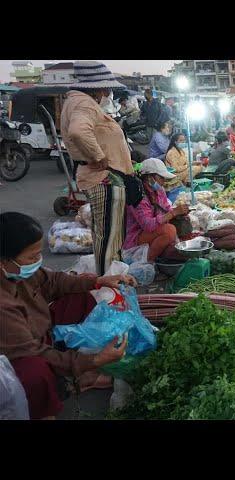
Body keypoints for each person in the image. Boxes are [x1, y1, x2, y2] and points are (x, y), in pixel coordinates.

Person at [0, 212, 137, 419]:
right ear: (4, 260)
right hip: (17, 356)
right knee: (35, 371)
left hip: (37, 332)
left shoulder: (17, 272)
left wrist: (99, 281)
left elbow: (54, 281)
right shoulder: (3, 306)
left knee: (82, 298)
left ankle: (74, 373)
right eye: (32, 256)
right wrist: (95, 360)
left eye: (39, 253)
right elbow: (35, 352)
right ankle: (49, 405)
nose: (38, 260)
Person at [61, 61, 134, 276]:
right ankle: (109, 290)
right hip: (103, 178)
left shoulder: (76, 102)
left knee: (106, 237)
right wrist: (99, 157)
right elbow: (78, 131)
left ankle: (112, 284)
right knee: (109, 238)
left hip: (100, 177)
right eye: (108, 89)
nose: (108, 94)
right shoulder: (84, 104)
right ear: (99, 88)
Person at [123, 159, 190, 263]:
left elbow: (166, 208)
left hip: (153, 233)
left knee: (177, 243)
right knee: (169, 230)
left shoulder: (159, 190)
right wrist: (173, 213)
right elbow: (147, 225)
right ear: (150, 177)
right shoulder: (138, 195)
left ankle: (159, 257)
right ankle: (148, 262)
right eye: (161, 178)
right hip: (137, 236)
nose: (163, 181)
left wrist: (179, 213)